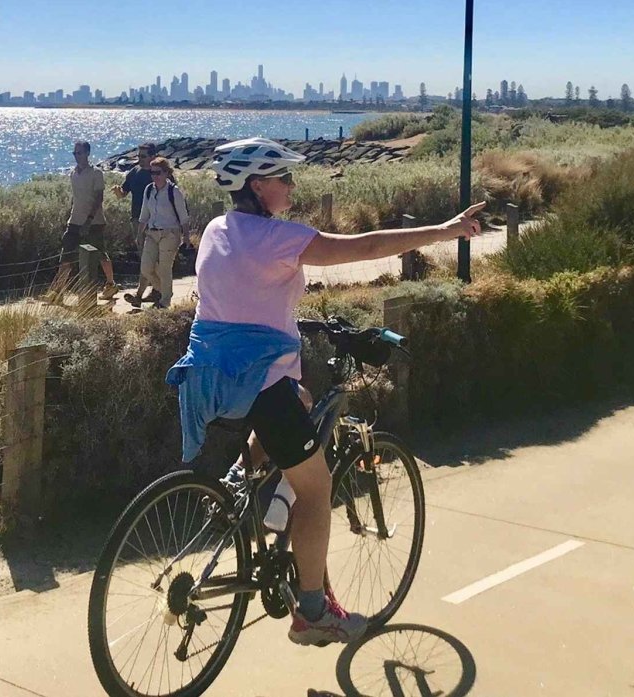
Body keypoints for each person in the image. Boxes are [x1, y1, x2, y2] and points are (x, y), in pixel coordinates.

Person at [165, 137, 483, 647]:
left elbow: (243, 299)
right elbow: (368, 246)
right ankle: (312, 613)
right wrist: (445, 230)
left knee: (302, 403)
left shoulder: (215, 230)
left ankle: (240, 490)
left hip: (209, 375)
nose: (291, 184)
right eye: (282, 177)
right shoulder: (279, 238)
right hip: (259, 381)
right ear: (256, 186)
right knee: (314, 490)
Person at [54, 140, 119, 299]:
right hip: (74, 221)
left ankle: (110, 283)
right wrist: (70, 215)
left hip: (94, 223)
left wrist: (89, 220)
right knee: (66, 255)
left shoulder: (96, 173)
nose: (77, 156)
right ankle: (57, 292)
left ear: (87, 153)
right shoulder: (73, 173)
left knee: (100, 254)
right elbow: (76, 198)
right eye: (75, 153)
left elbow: (99, 198)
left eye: (80, 153)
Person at [125, 156, 188, 309]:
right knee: (146, 268)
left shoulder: (174, 192)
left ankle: (164, 301)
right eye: (152, 173)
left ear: (167, 173)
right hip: (152, 233)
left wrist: (186, 238)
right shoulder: (149, 190)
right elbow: (144, 215)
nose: (155, 176)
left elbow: (184, 217)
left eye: (158, 173)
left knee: (165, 269)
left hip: (170, 234)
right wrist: (139, 234)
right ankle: (164, 291)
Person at [115, 143, 155, 251]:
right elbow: (123, 193)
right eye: (139, 156)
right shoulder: (134, 172)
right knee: (142, 253)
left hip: (156, 221)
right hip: (137, 219)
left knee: (157, 256)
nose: (140, 159)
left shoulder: (159, 173)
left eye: (143, 156)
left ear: (152, 157)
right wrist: (118, 191)